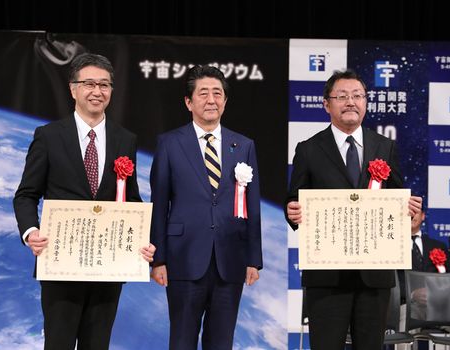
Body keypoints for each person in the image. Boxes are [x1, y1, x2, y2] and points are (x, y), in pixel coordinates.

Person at [13, 52, 155, 350]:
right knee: (59, 344)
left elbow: (131, 199)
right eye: (89, 83)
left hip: (107, 266)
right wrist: (30, 232)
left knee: (98, 345)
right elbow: (26, 195)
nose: (97, 91)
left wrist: (144, 239)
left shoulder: (124, 139)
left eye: (104, 85)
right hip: (61, 265)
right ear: (73, 88)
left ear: (111, 91)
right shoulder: (49, 136)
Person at [285, 69, 422, 350]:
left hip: (373, 276)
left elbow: (396, 198)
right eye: (342, 96)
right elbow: (294, 202)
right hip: (326, 275)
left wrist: (406, 209)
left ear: (366, 102)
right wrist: (293, 213)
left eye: (357, 96)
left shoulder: (385, 147)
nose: (351, 102)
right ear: (326, 104)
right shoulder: (308, 150)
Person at [150, 65, 263, 350]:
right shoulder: (169, 144)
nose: (211, 99)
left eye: (217, 93)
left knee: (221, 342)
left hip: (231, 260)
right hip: (183, 258)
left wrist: (253, 258)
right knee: (182, 341)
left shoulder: (244, 145)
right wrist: (158, 258)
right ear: (189, 102)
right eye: (203, 93)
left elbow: (252, 205)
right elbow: (159, 203)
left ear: (225, 101)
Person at [396, 208, 450, 350]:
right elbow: (391, 280)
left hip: (440, 306)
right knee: (403, 323)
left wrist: (435, 294)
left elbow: (448, 278)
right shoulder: (394, 246)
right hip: (408, 305)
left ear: (423, 216)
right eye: (408, 212)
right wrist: (412, 294)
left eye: (416, 211)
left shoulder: (439, 246)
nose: (412, 215)